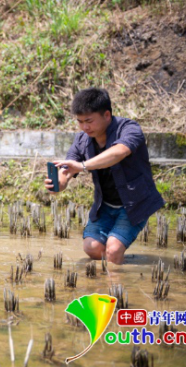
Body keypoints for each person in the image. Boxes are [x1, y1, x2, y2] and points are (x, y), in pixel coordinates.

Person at [45, 88, 164, 264]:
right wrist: (58, 184)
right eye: (80, 122)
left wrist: (83, 166)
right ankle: (119, 264)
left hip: (133, 204)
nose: (85, 127)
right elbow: (67, 167)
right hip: (105, 205)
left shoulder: (129, 129)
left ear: (106, 115)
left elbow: (119, 152)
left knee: (113, 248)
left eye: (89, 121)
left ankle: (116, 282)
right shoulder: (82, 140)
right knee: (92, 248)